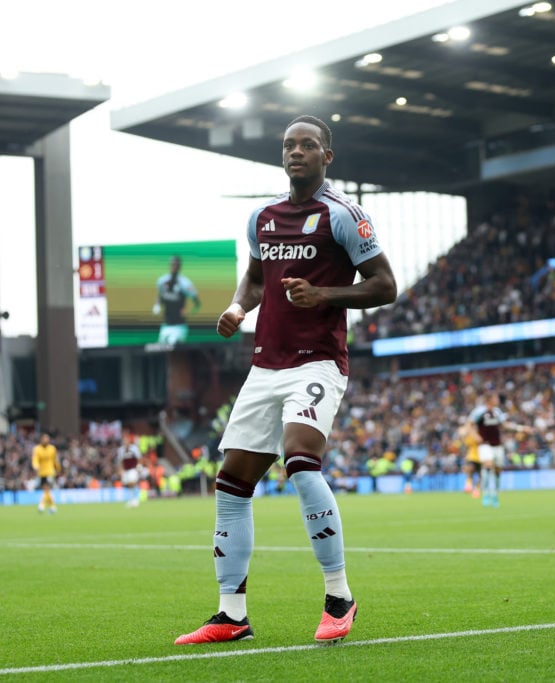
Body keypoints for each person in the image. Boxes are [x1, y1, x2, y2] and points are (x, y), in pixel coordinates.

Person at [174, 114, 397, 646]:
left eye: (307, 145)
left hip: (317, 361)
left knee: (300, 458)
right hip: (265, 365)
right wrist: (235, 308)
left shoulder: (344, 216)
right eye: (288, 145)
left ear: (327, 156)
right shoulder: (263, 218)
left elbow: (385, 284)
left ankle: (339, 596)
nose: (295, 152)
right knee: (231, 484)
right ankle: (231, 615)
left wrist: (325, 295)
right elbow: (256, 277)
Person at [469, 392, 528, 508]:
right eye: (495, 398)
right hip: (485, 444)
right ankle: (486, 494)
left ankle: (495, 495)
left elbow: (505, 425)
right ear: (489, 399)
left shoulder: (497, 412)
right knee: (488, 464)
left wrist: (521, 428)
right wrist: (475, 436)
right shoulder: (479, 411)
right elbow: (469, 425)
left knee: (497, 470)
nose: (497, 399)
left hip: (497, 445)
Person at [153, 255, 201, 345]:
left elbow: (197, 302)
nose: (174, 267)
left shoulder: (185, 283)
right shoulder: (162, 281)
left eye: (176, 265)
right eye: (172, 264)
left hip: (179, 326)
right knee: (160, 350)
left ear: (179, 266)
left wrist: (189, 313)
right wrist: (157, 305)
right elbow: (160, 297)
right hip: (166, 325)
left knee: (174, 348)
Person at [31, 433, 61, 513]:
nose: (46, 441)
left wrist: (58, 468)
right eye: (44, 439)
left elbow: (55, 460)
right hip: (41, 472)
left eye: (47, 439)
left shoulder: (52, 448)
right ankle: (53, 506)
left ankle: (42, 505)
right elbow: (35, 459)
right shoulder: (37, 449)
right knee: (46, 490)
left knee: (47, 488)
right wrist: (36, 466)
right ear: (41, 440)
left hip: (50, 471)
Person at [117, 435, 144, 508]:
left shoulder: (134, 448)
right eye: (124, 441)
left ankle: (135, 499)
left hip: (133, 469)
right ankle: (131, 499)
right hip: (125, 470)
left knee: (132, 482)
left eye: (126, 441)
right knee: (128, 484)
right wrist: (120, 470)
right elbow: (120, 461)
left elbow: (139, 458)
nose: (125, 442)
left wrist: (139, 466)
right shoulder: (121, 450)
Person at [457, 419, 481, 498]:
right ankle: (469, 484)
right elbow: (461, 433)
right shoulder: (469, 434)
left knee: (481, 475)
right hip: (472, 456)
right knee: (470, 469)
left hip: (481, 457)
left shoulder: (479, 432)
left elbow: (479, 440)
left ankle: (476, 489)